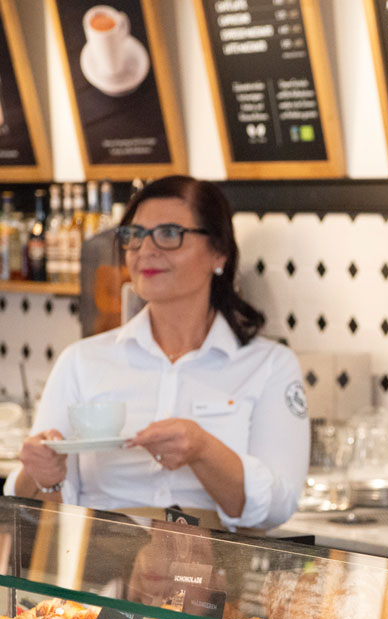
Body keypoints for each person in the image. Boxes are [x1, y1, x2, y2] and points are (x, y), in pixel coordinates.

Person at [8, 176, 309, 532]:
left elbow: (279, 506)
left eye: (169, 234)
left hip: (218, 577)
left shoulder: (270, 366)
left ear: (219, 253)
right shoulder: (81, 362)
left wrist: (203, 450)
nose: (144, 250)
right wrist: (39, 473)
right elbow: (39, 511)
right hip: (97, 578)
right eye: (134, 236)